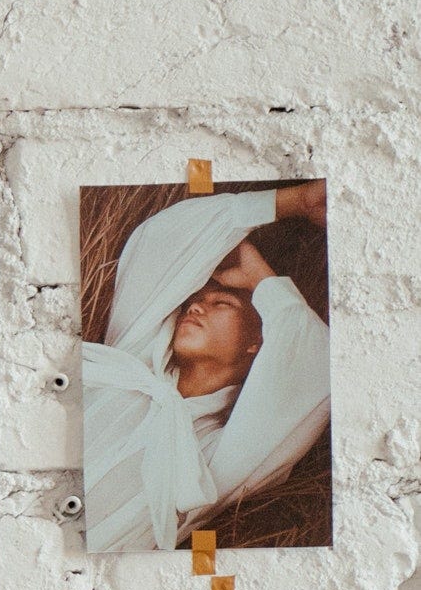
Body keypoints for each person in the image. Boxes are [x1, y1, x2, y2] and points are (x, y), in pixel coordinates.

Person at [81, 182, 330, 553]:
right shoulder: (130, 359)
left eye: (222, 304)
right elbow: (158, 242)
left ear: (256, 342)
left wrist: (261, 278)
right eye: (194, 302)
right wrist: (292, 201)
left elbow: (315, 357)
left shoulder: (218, 460)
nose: (196, 307)